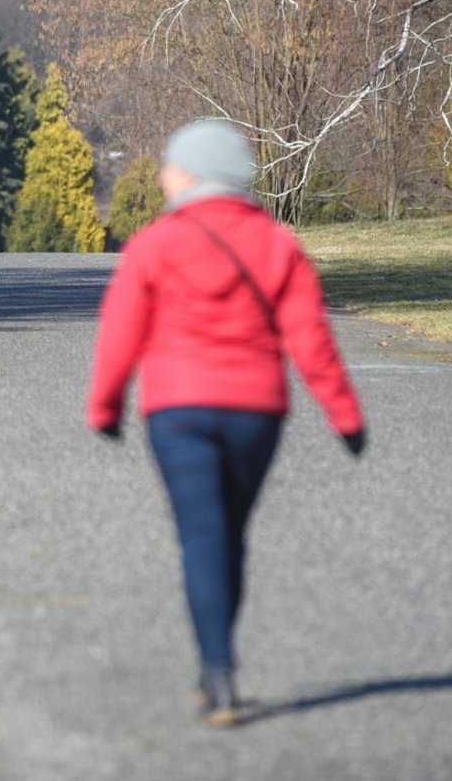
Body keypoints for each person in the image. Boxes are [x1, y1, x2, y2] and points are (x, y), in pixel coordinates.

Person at [86, 118, 366, 727]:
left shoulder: (154, 244)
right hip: (256, 413)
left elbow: (120, 333)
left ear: (189, 174)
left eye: (170, 163)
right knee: (228, 535)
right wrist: (345, 417)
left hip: (176, 411)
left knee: (202, 537)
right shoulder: (277, 244)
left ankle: (218, 672)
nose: (162, 173)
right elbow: (310, 338)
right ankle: (218, 662)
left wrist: (104, 407)